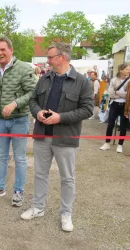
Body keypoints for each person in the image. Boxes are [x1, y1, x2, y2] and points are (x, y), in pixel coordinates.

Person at [20, 42, 93, 232]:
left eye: (51, 57)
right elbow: (33, 100)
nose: (48, 60)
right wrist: (36, 113)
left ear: (62, 57)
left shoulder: (82, 82)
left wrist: (60, 117)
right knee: (40, 173)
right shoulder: (44, 78)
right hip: (42, 135)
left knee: (67, 178)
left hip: (66, 138)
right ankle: (38, 207)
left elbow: (87, 109)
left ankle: (66, 213)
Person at [0, 37, 36, 207]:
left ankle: (19, 191)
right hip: (0, 120)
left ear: (11, 50)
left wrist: (15, 103)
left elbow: (32, 92)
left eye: (2, 50)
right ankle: (0, 188)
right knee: (1, 156)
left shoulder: (23, 68)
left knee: (20, 158)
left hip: (19, 120)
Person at [100, 63, 130, 153]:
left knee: (123, 126)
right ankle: (107, 143)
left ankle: (120, 144)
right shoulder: (113, 80)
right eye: (127, 69)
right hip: (114, 104)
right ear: (121, 70)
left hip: (125, 106)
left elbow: (128, 95)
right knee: (110, 124)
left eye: (129, 69)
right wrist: (123, 95)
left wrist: (117, 93)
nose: (128, 71)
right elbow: (110, 94)